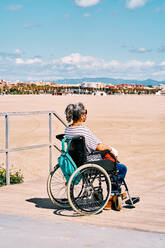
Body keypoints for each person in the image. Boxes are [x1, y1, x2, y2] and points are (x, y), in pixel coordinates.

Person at [64, 102, 127, 209]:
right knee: (121, 168)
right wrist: (111, 148)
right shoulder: (84, 130)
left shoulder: (68, 130)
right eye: (84, 113)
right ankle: (112, 196)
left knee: (111, 161)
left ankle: (112, 196)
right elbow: (100, 147)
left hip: (76, 162)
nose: (86, 116)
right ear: (80, 116)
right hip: (90, 161)